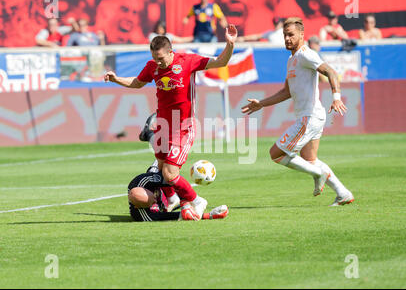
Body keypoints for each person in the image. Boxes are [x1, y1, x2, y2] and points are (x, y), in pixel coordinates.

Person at [104, 24, 238, 220]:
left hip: (183, 126)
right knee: (159, 169)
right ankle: (173, 200)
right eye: (154, 58)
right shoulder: (153, 67)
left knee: (169, 173)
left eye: (160, 58)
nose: (157, 63)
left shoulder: (188, 61)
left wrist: (230, 45)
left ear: (170, 52)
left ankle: (196, 200)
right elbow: (137, 83)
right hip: (163, 127)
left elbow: (220, 62)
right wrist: (116, 79)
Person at [241, 17, 354, 206]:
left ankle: (319, 174)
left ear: (302, 35)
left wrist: (336, 97)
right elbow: (286, 92)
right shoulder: (292, 59)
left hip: (309, 117)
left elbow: (331, 72)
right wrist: (261, 103)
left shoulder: (306, 55)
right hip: (312, 116)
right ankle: (343, 193)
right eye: (285, 35)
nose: (287, 39)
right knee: (310, 160)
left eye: (291, 35)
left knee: (276, 154)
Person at [128, 171, 229, 222]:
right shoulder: (142, 215)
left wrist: (184, 201)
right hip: (164, 207)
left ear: (147, 189)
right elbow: (173, 216)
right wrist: (209, 215)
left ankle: (150, 135)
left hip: (161, 187)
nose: (155, 201)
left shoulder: (144, 181)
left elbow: (174, 178)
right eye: (152, 203)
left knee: (165, 170)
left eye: (153, 197)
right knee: (164, 209)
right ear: (139, 207)